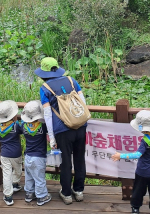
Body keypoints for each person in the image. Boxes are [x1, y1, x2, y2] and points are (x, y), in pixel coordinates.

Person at [35, 57, 88, 205]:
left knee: (65, 163)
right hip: (80, 125)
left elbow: (47, 115)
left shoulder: (45, 88)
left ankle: (66, 194)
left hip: (62, 130)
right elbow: (82, 103)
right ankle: (79, 191)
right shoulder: (72, 81)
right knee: (79, 159)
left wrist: (51, 138)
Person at [112, 109, 150, 214]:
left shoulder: (145, 141)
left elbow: (137, 155)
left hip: (142, 172)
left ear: (144, 129)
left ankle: (135, 208)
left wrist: (120, 156)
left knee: (138, 191)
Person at [20, 100, 52, 206]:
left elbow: (22, 123)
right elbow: (49, 126)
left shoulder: (24, 126)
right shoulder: (43, 126)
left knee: (29, 176)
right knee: (39, 178)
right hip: (38, 157)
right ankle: (42, 196)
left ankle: (29, 194)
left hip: (28, 156)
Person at [0, 100, 23, 206]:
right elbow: (22, 130)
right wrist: (16, 121)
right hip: (16, 153)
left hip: (4, 154)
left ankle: (8, 196)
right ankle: (15, 183)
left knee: (6, 174)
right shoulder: (15, 126)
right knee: (18, 169)